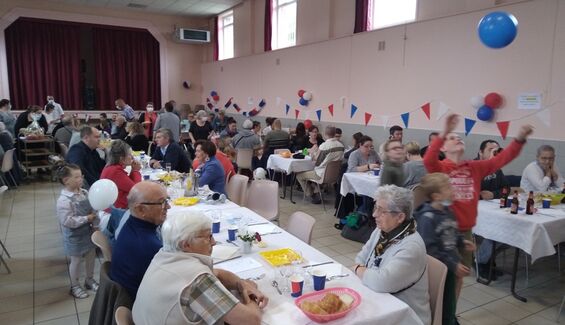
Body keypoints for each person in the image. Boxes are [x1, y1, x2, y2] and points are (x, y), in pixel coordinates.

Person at [424, 113, 533, 299]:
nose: (457, 138)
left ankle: (450, 314)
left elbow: (502, 159)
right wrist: (445, 132)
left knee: (459, 276)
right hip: (443, 231)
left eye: (459, 137)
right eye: (452, 138)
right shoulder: (441, 168)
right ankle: (436, 312)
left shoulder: (474, 167)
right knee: (439, 276)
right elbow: (428, 160)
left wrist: (520, 139)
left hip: (465, 232)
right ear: (443, 147)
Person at [133, 211, 268, 325]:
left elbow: (218, 273)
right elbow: (251, 320)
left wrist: (242, 284)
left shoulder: (165, 254)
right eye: (208, 237)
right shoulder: (196, 278)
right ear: (186, 244)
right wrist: (252, 294)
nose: (214, 242)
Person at [353, 185, 431, 325]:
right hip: (377, 297)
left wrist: (359, 270)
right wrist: (365, 271)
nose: (374, 214)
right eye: (376, 207)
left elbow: (382, 282)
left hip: (404, 316)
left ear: (400, 217)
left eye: (382, 211)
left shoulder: (411, 247)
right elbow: (361, 257)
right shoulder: (382, 231)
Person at [414, 173, 475, 325]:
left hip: (451, 263)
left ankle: (449, 316)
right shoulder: (427, 217)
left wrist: (462, 242)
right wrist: (452, 265)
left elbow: (453, 231)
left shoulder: (448, 211)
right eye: (448, 188)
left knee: (451, 295)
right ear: (436, 196)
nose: (452, 189)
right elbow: (430, 249)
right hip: (440, 267)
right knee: (443, 298)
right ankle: (444, 319)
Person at [111, 181, 168, 299]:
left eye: (166, 201)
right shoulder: (147, 246)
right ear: (141, 210)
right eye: (161, 203)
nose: (168, 207)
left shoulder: (132, 222)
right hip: (139, 304)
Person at [56, 164, 99, 299]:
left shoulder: (84, 193)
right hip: (74, 236)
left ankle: (89, 280)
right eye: (76, 177)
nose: (80, 179)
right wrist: (87, 218)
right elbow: (67, 221)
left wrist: (95, 219)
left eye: (81, 176)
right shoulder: (64, 200)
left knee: (91, 257)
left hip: (88, 232)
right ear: (66, 180)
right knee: (76, 261)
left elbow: (93, 209)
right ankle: (74, 285)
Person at [475, 140, 509, 279]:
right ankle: (481, 261)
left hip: (494, 210)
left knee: (508, 231)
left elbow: (506, 189)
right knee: (496, 231)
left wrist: (494, 194)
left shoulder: (497, 169)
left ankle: (487, 259)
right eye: (490, 150)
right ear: (480, 152)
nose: (494, 153)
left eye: (497, 150)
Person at [296, 126, 344, 204]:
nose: (315, 133)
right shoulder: (341, 146)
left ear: (325, 134)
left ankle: (312, 194)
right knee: (310, 172)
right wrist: (309, 150)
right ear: (309, 132)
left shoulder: (322, 144)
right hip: (334, 174)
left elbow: (317, 162)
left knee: (299, 175)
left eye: (316, 132)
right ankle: (316, 192)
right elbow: (299, 151)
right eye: (313, 132)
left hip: (321, 173)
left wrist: (314, 154)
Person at [100, 140, 142, 209]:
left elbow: (127, 184)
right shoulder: (115, 171)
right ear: (121, 158)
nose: (132, 157)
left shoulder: (112, 168)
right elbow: (136, 190)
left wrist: (133, 170)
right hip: (115, 213)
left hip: (115, 208)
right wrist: (135, 171)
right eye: (129, 154)